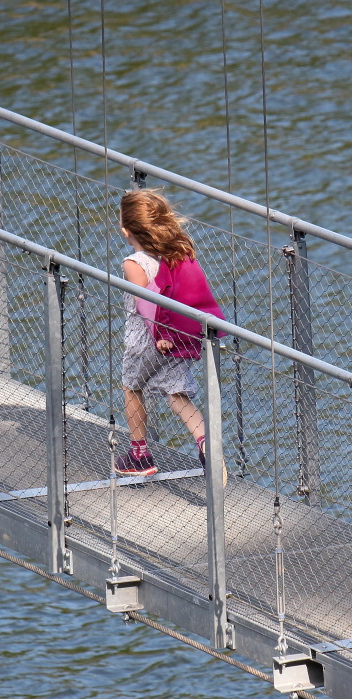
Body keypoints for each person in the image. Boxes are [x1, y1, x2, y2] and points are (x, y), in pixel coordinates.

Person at [113, 189, 227, 485]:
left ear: (127, 231)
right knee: (177, 395)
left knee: (131, 387)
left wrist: (159, 334)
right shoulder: (176, 254)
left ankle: (139, 455)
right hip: (175, 337)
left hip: (147, 340)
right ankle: (207, 443)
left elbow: (147, 303)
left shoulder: (133, 264)